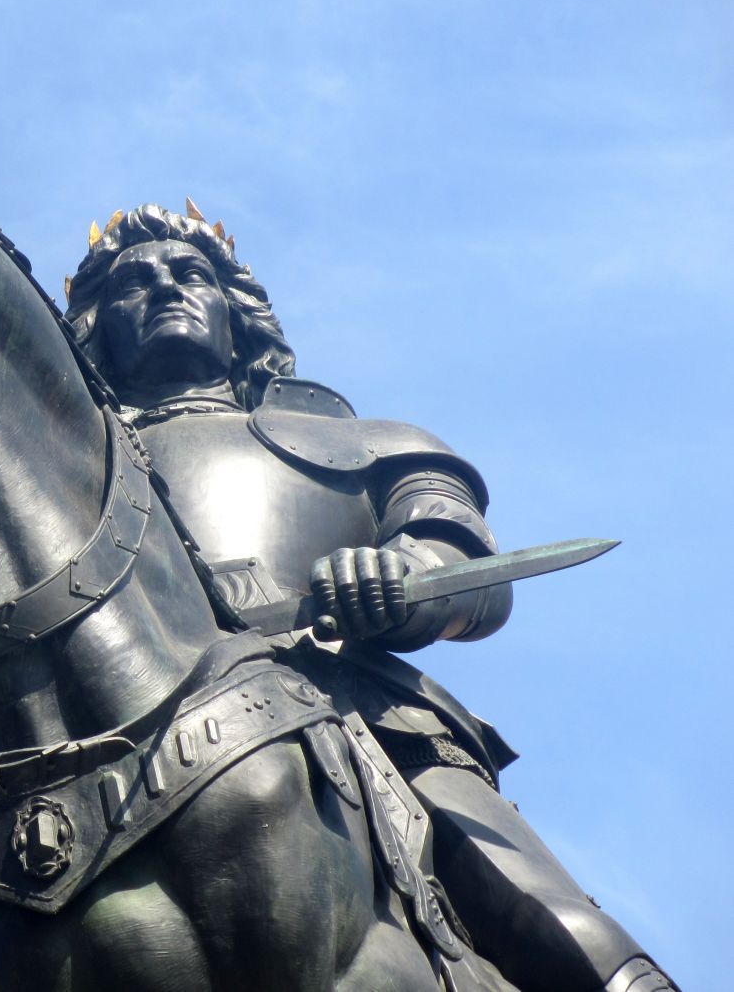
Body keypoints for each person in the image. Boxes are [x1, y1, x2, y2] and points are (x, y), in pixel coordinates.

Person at [64, 202, 674, 992]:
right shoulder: (57, 476)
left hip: (349, 700)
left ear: (233, 312)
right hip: (100, 720)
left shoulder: (361, 446)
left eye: (189, 274)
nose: (164, 288)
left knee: (549, 915)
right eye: (132, 283)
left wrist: (402, 580)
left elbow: (464, 562)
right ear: (95, 322)